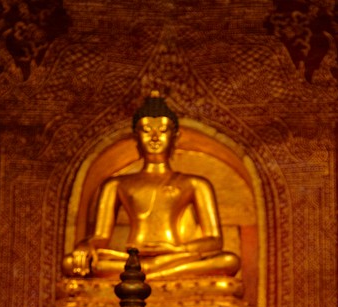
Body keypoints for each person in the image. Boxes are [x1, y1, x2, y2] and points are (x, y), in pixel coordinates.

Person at [62, 92, 241, 284]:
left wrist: (176, 250)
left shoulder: (195, 184)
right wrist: (85, 246)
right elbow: (101, 237)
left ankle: (146, 278)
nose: (155, 137)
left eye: (163, 130)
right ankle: (153, 277)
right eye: (146, 130)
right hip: (129, 260)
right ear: (136, 136)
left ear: (176, 136)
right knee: (70, 263)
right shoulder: (116, 184)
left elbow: (214, 240)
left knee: (229, 261)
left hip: (174, 257)